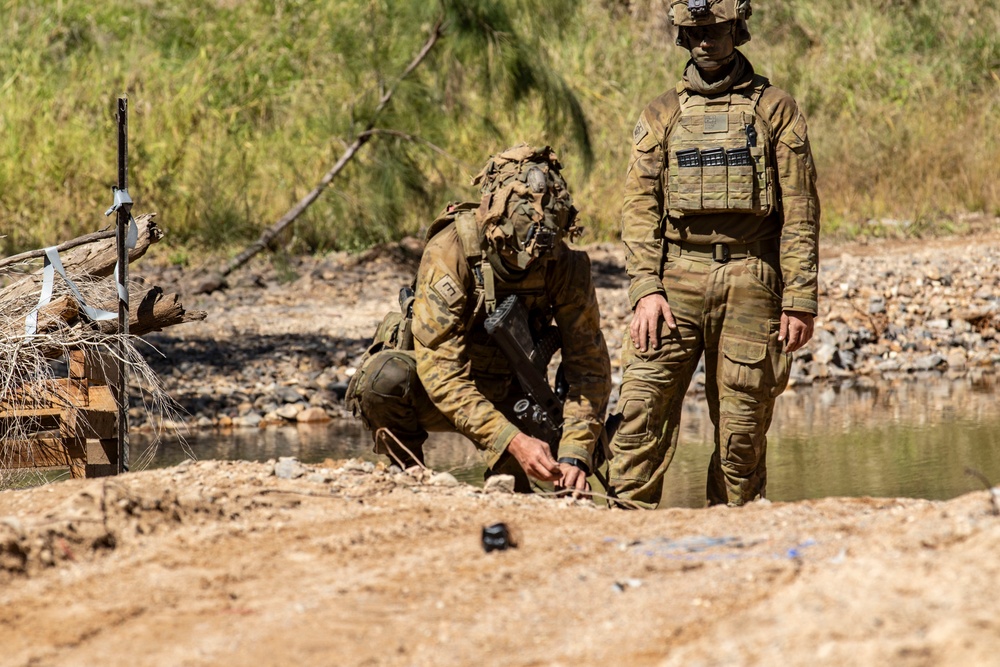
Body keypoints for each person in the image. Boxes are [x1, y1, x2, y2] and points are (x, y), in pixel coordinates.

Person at [608, 0, 820, 508]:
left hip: (753, 276)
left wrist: (800, 299)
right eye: (696, 31)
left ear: (738, 30)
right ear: (682, 37)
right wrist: (645, 290)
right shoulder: (661, 113)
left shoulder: (776, 109)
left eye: (718, 30)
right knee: (639, 412)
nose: (707, 41)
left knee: (741, 435)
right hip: (675, 278)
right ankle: (621, 531)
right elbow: (639, 208)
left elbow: (801, 210)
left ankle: (735, 542)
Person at [346, 145, 611, 494]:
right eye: (516, 250)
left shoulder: (565, 264)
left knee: (530, 492)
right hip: (439, 387)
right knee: (384, 378)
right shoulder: (451, 250)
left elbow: (588, 368)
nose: (529, 262)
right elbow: (442, 372)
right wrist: (511, 440)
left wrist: (576, 454)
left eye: (540, 253)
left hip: (514, 393)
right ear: (492, 222)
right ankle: (411, 479)